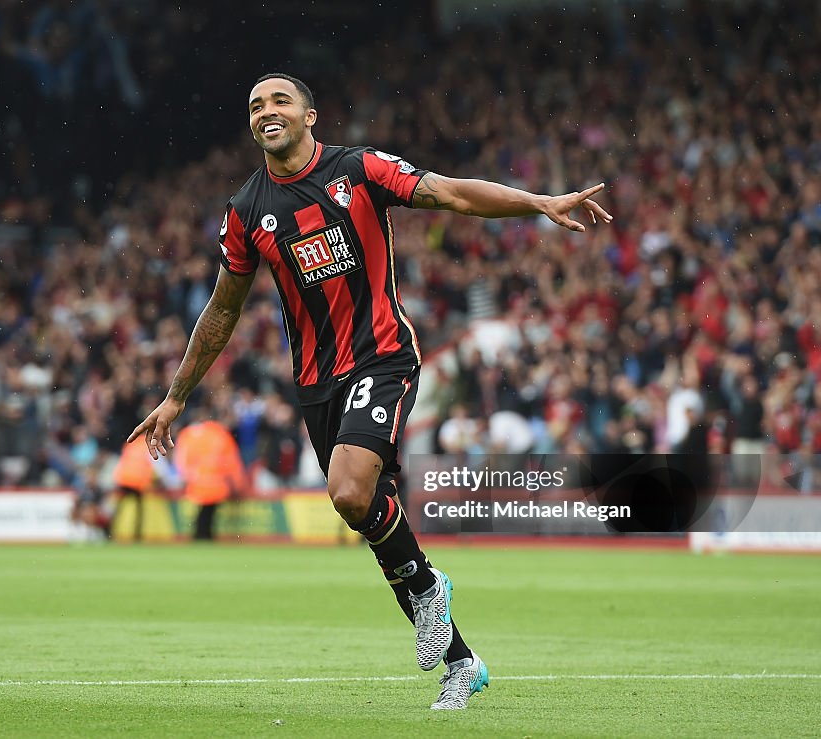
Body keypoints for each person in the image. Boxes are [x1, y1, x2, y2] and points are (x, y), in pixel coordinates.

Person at [130, 73, 612, 710]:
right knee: (365, 512)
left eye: (279, 101)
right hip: (315, 382)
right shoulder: (246, 211)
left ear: (310, 116)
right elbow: (222, 311)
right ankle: (459, 660)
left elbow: (451, 195)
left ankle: (431, 595)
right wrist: (177, 395)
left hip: (382, 356)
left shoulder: (358, 170)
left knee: (350, 489)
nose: (266, 112)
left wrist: (538, 203)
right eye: (255, 105)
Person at [173, 413, 245, 541]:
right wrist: (237, 484)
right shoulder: (222, 436)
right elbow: (232, 462)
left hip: (199, 481)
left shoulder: (195, 434)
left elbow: (183, 456)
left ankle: (201, 534)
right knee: (208, 512)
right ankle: (204, 535)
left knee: (204, 511)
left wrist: (185, 475)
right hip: (216, 483)